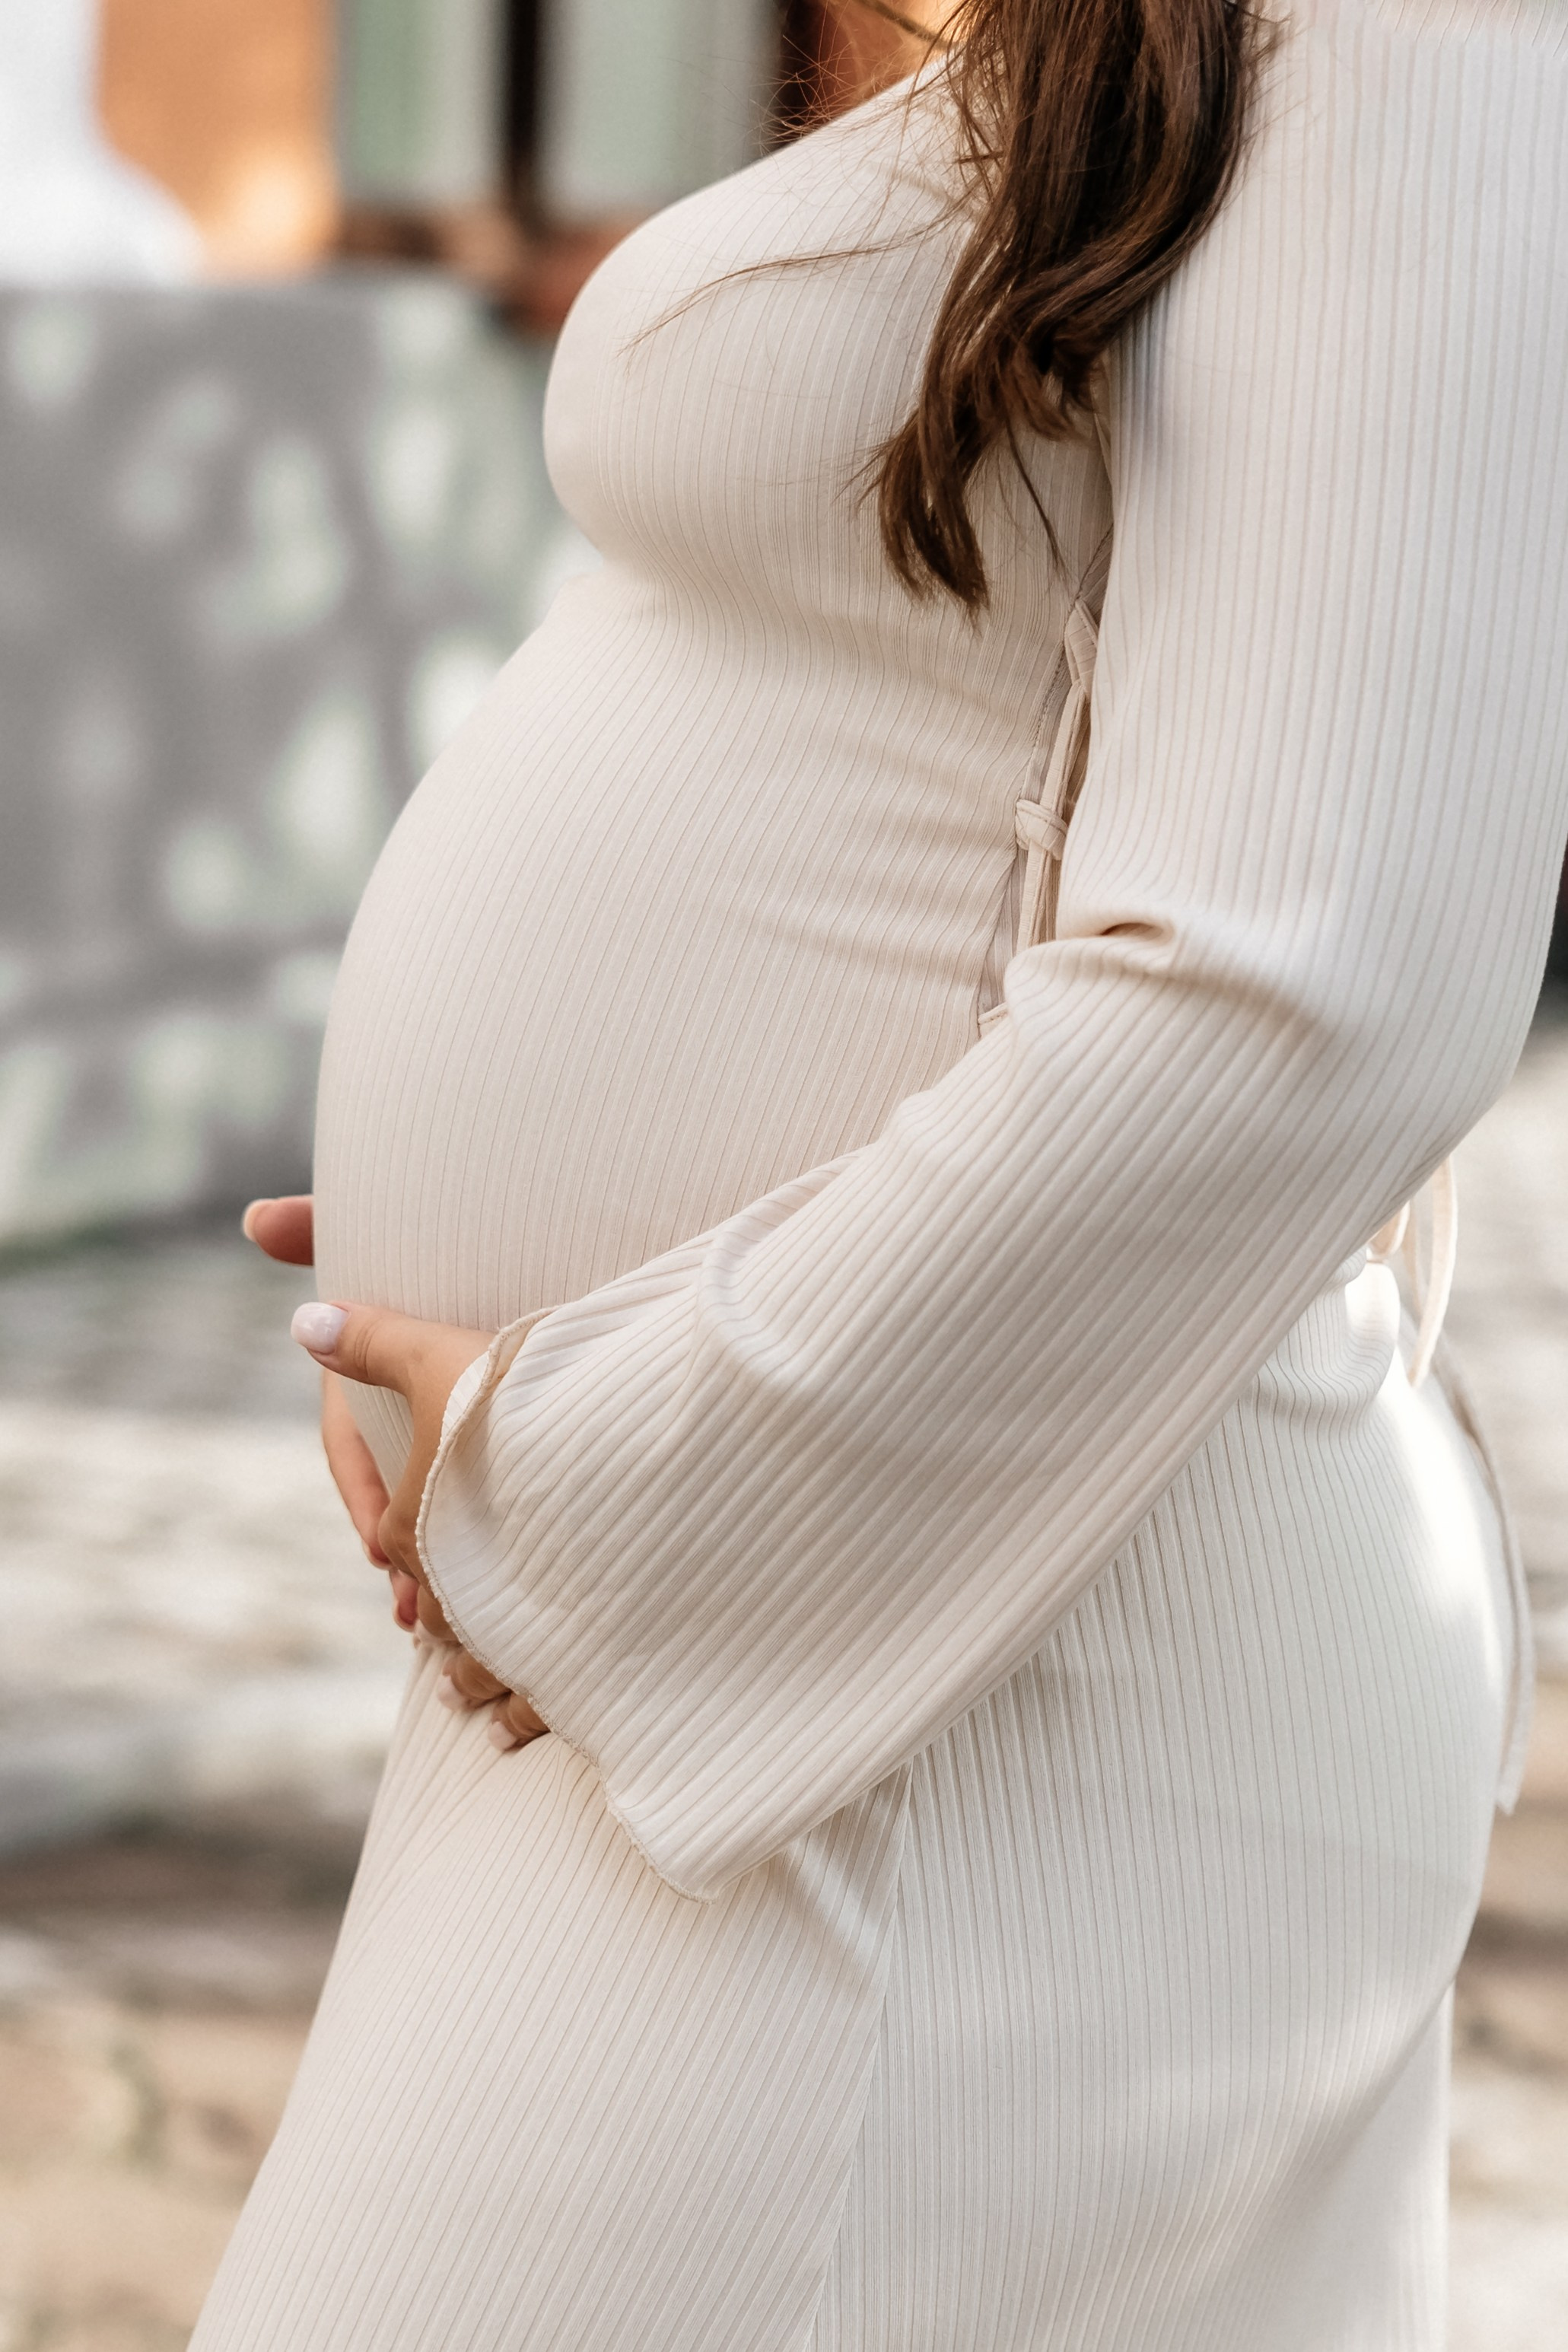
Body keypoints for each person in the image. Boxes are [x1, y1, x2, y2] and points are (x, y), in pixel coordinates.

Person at [193, 0, 1568, 2344]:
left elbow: (1319, 981)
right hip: (817, 1662)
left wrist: (584, 1454)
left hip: (979, 1678)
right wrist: (527, 1225)